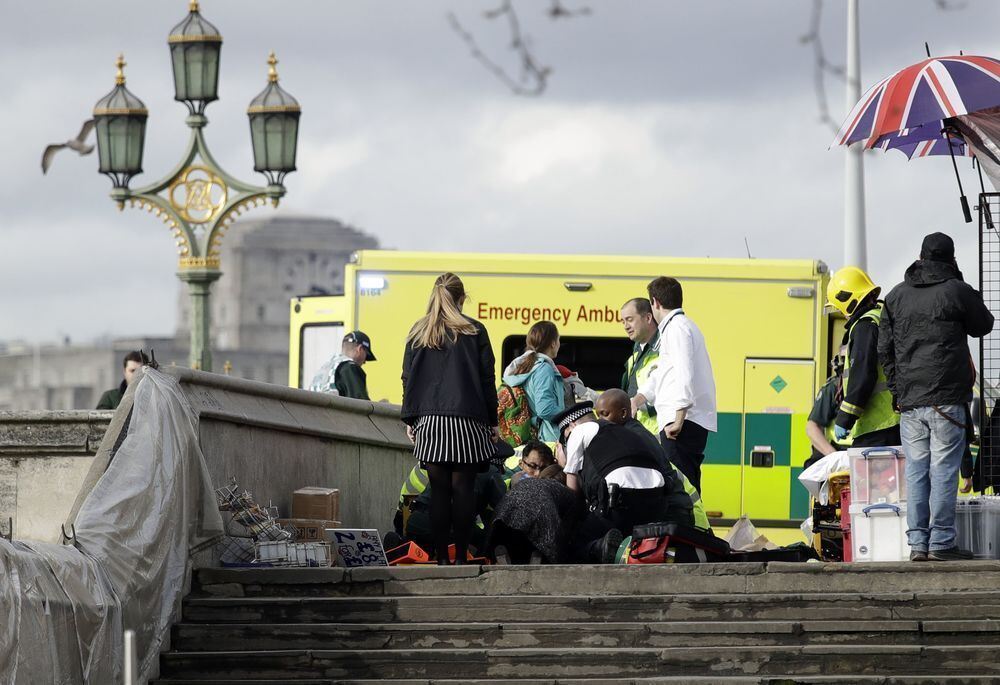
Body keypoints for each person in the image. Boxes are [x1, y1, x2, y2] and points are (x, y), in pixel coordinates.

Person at [878, 232, 994, 562]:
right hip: (947, 401)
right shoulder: (956, 291)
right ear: (951, 258)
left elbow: (883, 349)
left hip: (911, 402)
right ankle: (942, 542)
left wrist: (898, 391)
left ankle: (917, 543)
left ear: (921, 257)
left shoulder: (896, 296)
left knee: (916, 471)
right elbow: (983, 324)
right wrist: (959, 282)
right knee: (943, 470)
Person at [401, 273, 499, 565]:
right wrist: (492, 420)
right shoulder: (474, 330)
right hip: (467, 419)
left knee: (439, 493)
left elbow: (408, 377)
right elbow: (486, 378)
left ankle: (441, 557)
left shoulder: (419, 331)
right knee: (464, 491)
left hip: (430, 421)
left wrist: (411, 418)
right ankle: (461, 559)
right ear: (462, 298)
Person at [557, 401, 694, 562]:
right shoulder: (628, 431)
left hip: (619, 502)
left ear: (571, 426)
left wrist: (563, 465)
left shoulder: (579, 431)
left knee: (575, 543)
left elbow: (572, 493)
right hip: (657, 505)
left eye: (565, 437)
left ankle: (600, 548)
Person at [631, 277, 717, 493]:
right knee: (685, 484)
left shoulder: (677, 328)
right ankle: (691, 526)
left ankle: (690, 526)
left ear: (655, 302)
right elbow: (664, 372)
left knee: (682, 487)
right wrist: (639, 398)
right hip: (684, 420)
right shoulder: (678, 327)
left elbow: (683, 373)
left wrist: (678, 418)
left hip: (681, 423)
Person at [595, 389, 709, 531]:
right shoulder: (633, 431)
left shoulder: (631, 438)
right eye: (598, 415)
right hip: (676, 507)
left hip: (673, 512)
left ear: (623, 413)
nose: (600, 421)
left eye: (605, 414)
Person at [826, 267, 901, 448]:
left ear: (847, 300)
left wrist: (845, 418)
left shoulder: (865, 326)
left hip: (878, 426)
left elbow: (862, 374)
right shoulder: (882, 316)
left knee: (866, 477)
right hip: (896, 422)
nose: (843, 314)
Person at [502, 321, 566, 442]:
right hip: (547, 437)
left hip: (530, 434)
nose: (559, 344)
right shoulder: (544, 369)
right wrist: (569, 416)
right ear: (553, 343)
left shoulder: (524, 366)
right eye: (558, 340)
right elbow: (545, 409)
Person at [803, 350, 850, 470]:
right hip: (839, 454)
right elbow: (812, 427)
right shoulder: (834, 388)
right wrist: (835, 458)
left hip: (863, 456)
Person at [620, 297, 661, 434]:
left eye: (630, 319)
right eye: (623, 321)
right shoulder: (637, 350)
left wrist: (635, 403)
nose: (626, 326)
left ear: (648, 318)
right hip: (639, 432)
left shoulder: (664, 348)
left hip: (658, 433)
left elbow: (663, 393)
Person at [309, 331, 376, 400]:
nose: (364, 362)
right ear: (360, 349)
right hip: (331, 410)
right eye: (366, 356)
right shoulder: (350, 367)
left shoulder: (325, 368)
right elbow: (362, 404)